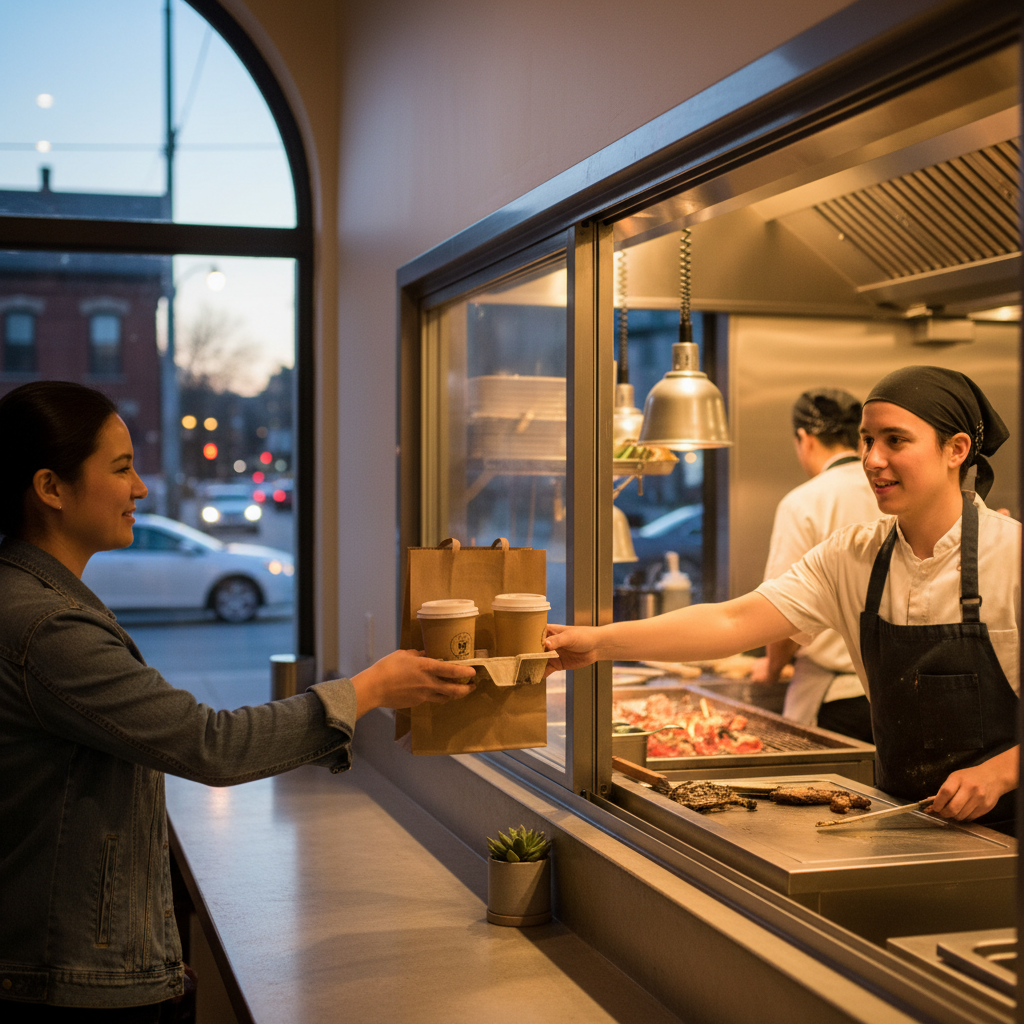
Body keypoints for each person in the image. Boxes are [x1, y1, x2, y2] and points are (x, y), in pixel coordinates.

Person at [0, 381, 476, 1020]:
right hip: (68, 981)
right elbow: (210, 745)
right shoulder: (46, 626)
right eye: (121, 469)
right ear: (51, 488)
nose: (140, 488)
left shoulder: (34, 599)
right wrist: (373, 687)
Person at [548, 366, 1019, 832]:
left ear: (956, 450)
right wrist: (598, 642)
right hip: (904, 821)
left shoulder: (1012, 555)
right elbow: (732, 621)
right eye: (867, 440)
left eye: (895, 440)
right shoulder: (851, 555)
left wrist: (1000, 772)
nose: (872, 459)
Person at [749, 388, 880, 742]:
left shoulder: (805, 501)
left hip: (832, 700)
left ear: (804, 440)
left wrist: (772, 667)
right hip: (891, 699)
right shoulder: (889, 488)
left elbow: (780, 610)